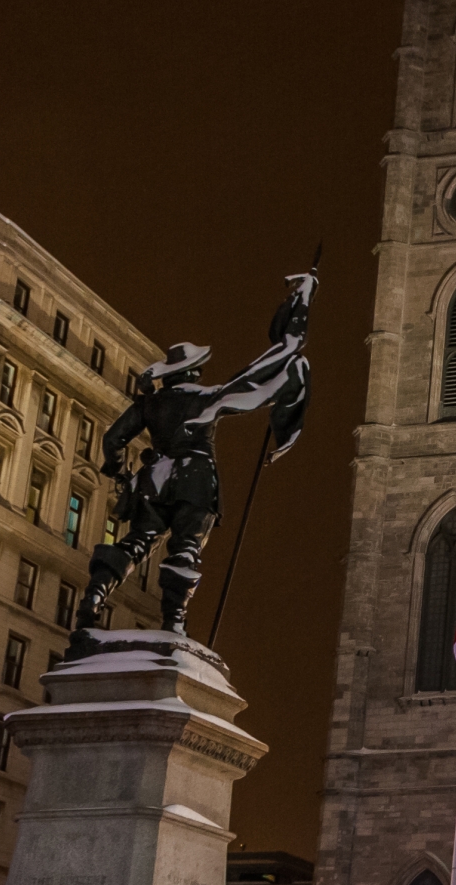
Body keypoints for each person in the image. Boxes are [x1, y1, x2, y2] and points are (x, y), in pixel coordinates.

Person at [75, 272, 314, 639]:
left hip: (153, 481)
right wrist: (303, 304)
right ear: (194, 371)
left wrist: (119, 472)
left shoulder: (149, 404)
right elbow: (262, 375)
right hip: (195, 481)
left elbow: (112, 439)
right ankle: (174, 622)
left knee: (136, 542)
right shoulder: (207, 398)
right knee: (186, 547)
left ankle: (93, 596)